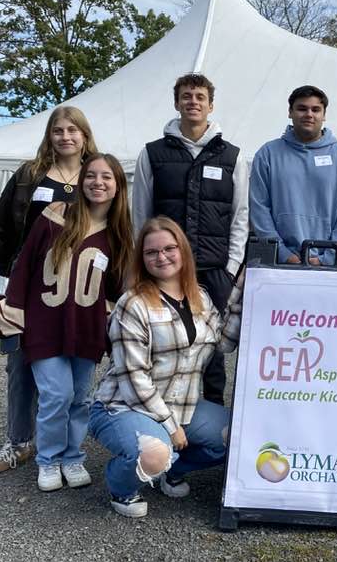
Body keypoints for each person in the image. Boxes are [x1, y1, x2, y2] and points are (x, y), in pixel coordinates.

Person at [0, 154, 133, 492]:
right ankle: (49, 459)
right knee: (56, 394)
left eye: (106, 177)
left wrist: (111, 321)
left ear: (118, 186)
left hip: (85, 327)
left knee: (80, 397)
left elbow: (117, 286)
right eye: (91, 175)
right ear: (81, 181)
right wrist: (15, 311)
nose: (98, 182)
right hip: (45, 323)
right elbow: (25, 265)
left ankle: (72, 456)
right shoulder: (56, 215)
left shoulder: (118, 233)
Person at [89, 217, 243, 518]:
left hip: (180, 404)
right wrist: (171, 428)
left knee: (237, 437)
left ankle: (170, 470)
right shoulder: (132, 304)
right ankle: (122, 488)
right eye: (151, 252)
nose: (161, 257)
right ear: (142, 259)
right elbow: (134, 381)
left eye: (169, 249)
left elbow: (224, 342)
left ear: (183, 251)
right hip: (123, 406)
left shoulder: (200, 297)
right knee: (155, 452)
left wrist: (242, 288)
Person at [0, 106, 98, 476]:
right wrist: (12, 270)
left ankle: (67, 450)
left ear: (84, 135)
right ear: (49, 136)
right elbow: (1, 224)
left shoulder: (96, 175)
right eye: (58, 131)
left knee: (73, 366)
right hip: (30, 284)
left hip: (77, 288)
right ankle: (18, 442)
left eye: (72, 130)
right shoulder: (29, 175)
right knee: (20, 362)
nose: (65, 137)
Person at [132, 73, 248, 407]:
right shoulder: (152, 154)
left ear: (211, 105)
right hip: (165, 269)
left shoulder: (232, 156)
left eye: (199, 97)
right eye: (186, 96)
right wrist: (145, 263)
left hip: (214, 270)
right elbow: (141, 213)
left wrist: (230, 267)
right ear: (176, 103)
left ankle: (211, 415)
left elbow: (241, 215)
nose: (193, 102)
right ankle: (159, 412)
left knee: (211, 348)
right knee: (163, 339)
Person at [249, 85, 337, 265]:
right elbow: (259, 208)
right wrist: (282, 253)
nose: (309, 114)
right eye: (302, 108)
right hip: (278, 263)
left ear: (324, 115)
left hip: (327, 265)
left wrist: (327, 258)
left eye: (315, 109)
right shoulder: (267, 154)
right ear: (290, 112)